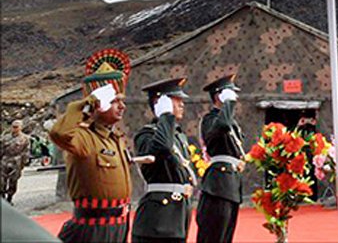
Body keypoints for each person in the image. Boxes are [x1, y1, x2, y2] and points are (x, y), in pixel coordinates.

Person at [48, 49, 133, 243]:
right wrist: (85, 105)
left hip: (119, 224)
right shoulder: (83, 137)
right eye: (114, 101)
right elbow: (59, 134)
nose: (122, 106)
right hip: (93, 227)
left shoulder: (115, 138)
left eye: (122, 101)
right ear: (98, 105)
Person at [132, 77, 196, 243]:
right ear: (160, 102)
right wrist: (165, 115)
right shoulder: (146, 134)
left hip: (178, 214)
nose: (182, 104)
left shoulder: (178, 135)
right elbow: (163, 148)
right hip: (158, 218)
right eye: (176, 100)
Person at [196, 74, 245, 243]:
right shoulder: (210, 120)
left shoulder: (230, 121)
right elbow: (222, 125)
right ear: (219, 96)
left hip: (231, 184)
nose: (235, 98)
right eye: (230, 94)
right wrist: (228, 103)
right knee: (214, 235)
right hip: (219, 184)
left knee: (225, 236)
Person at [1, 120, 31, 204]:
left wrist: (23, 163)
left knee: (13, 181)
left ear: (21, 127)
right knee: (1, 181)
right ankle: (2, 198)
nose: (14, 128)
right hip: (5, 160)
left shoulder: (25, 138)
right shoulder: (5, 138)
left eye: (16, 127)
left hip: (16, 161)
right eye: (13, 126)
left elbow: (26, 151)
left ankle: (9, 198)